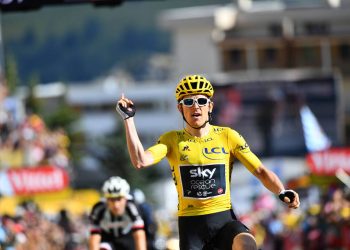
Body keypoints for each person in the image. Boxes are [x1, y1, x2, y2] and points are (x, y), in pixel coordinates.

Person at [116, 75, 300, 250]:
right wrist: (129, 119)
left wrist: (281, 191)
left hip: (224, 219)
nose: (195, 106)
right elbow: (140, 160)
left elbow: (260, 170)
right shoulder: (171, 140)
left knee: (247, 244)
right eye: (188, 102)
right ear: (180, 108)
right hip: (191, 226)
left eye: (201, 101)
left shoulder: (227, 136)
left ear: (210, 106)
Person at [88, 176, 147, 250]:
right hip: (107, 239)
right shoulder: (98, 209)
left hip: (127, 239)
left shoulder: (132, 207)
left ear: (126, 198)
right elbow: (94, 238)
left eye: (119, 199)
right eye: (111, 199)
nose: (116, 205)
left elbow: (139, 236)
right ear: (106, 199)